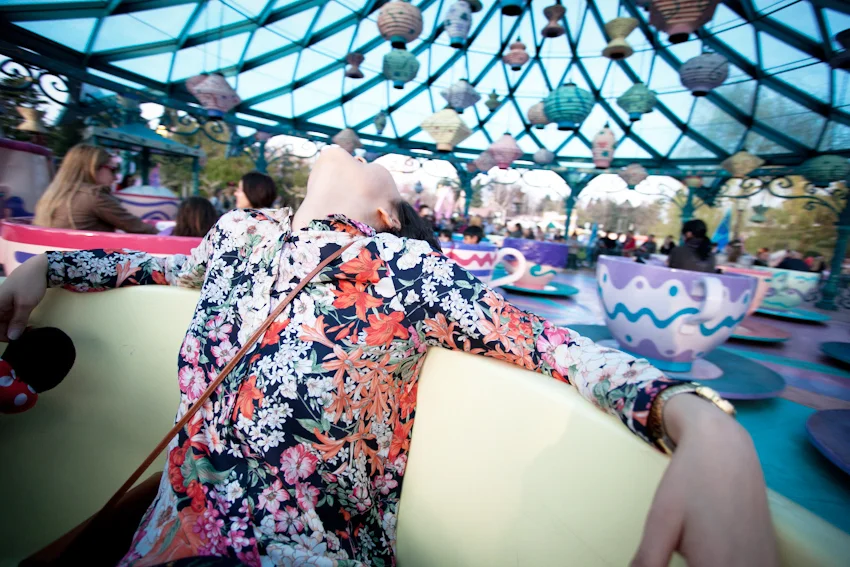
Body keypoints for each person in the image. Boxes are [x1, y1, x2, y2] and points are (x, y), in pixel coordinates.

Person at [1, 146, 776, 566]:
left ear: (386, 211)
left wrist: (703, 423)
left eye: (377, 161)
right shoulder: (238, 235)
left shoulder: (408, 272)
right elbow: (147, 266)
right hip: (156, 539)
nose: (355, 147)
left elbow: (561, 348)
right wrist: (45, 268)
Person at [33, 144, 157, 234]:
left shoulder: (53, 196)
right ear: (93, 168)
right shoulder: (95, 197)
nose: (115, 177)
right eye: (113, 170)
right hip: (84, 261)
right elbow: (139, 228)